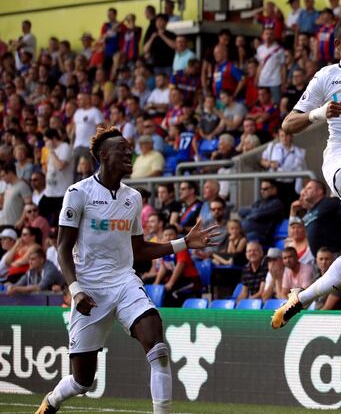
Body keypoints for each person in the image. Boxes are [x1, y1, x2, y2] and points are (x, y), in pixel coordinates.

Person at [37, 127, 216, 414]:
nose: (129, 153)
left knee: (157, 347)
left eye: (129, 149)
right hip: (89, 291)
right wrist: (75, 290)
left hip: (124, 282)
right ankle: (52, 401)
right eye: (122, 149)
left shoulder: (133, 197)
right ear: (103, 155)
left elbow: (140, 250)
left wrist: (184, 242)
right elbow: (62, 249)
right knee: (83, 382)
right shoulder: (77, 193)